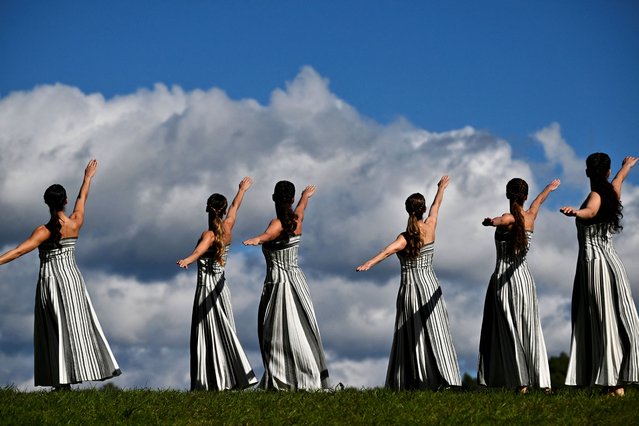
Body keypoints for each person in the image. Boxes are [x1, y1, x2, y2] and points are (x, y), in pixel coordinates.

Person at [0, 159, 120, 389]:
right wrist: (87, 177)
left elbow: (18, 252)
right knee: (76, 328)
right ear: (64, 201)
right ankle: (76, 374)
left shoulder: (43, 231)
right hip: (73, 280)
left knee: (54, 330)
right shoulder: (75, 222)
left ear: (46, 203)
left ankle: (61, 382)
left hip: (51, 281)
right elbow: (82, 199)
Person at [356, 176, 462, 390]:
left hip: (411, 289)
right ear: (422, 210)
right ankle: (446, 379)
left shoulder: (405, 237)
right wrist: (441, 188)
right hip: (431, 285)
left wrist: (369, 262)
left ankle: (414, 381)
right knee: (436, 330)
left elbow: (388, 251)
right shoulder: (430, 226)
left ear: (407, 211)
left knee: (411, 332)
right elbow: (437, 205)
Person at [560, 153, 639, 396]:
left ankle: (614, 383)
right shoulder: (612, 191)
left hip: (594, 264)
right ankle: (613, 380)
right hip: (612, 262)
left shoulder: (595, 196)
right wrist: (626, 166)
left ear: (587, 172)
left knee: (601, 319)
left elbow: (592, 212)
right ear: (607, 172)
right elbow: (620, 178)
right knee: (614, 317)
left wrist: (576, 212)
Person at [243, 181, 329, 390]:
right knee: (300, 329)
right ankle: (304, 373)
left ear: (274, 198)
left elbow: (270, 234)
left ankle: (289, 377)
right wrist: (305, 195)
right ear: (291, 199)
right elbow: (302, 206)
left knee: (275, 334)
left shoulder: (276, 223)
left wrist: (258, 238)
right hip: (297, 282)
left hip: (279, 285)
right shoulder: (297, 218)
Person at [477, 177, 560, 393]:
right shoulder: (530, 215)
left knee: (510, 330)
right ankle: (543, 384)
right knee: (531, 329)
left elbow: (501, 220)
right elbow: (539, 201)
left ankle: (521, 383)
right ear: (525, 196)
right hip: (524, 279)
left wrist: (490, 222)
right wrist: (549, 188)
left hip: (505, 280)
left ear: (507, 195)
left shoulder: (508, 217)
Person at [177, 177, 257, 391]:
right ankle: (228, 378)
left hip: (206, 290)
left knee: (206, 334)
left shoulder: (209, 234)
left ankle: (210, 382)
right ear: (221, 211)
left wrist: (187, 259)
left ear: (207, 210)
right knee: (224, 330)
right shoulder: (228, 227)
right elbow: (235, 207)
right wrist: (242, 190)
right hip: (222, 289)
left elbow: (198, 251)